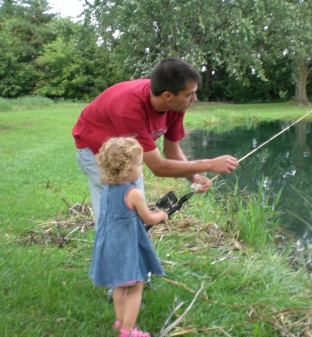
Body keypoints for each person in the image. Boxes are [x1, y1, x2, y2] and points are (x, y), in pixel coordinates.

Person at [72, 56, 239, 226]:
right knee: (113, 214)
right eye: (190, 94)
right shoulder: (129, 109)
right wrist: (209, 164)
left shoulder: (176, 105)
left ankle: (132, 246)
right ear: (167, 96)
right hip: (96, 149)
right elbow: (158, 167)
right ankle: (110, 248)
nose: (194, 99)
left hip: (126, 151)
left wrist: (194, 177)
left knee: (135, 207)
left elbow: (171, 151)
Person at [89, 137, 168, 337]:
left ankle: (120, 320)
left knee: (119, 285)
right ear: (126, 169)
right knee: (136, 286)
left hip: (110, 247)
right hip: (126, 250)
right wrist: (162, 215)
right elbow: (148, 218)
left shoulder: (107, 189)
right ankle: (128, 330)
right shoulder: (133, 193)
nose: (142, 169)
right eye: (139, 165)